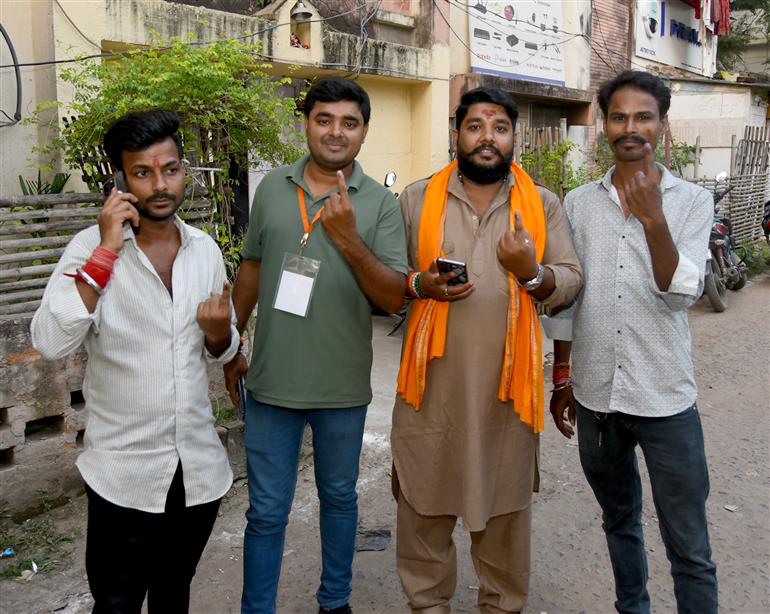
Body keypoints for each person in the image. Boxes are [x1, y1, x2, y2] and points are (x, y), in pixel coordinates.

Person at [31, 109, 238, 613]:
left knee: (174, 596)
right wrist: (105, 251)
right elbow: (50, 341)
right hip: (123, 475)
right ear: (121, 181)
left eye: (170, 169)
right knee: (118, 603)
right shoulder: (88, 249)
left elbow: (224, 347)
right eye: (143, 173)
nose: (160, 185)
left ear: (184, 170)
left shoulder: (204, 250)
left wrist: (218, 337)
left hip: (197, 472)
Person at [391, 87, 583, 613]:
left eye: (499, 128)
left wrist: (532, 273)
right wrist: (418, 283)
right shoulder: (414, 198)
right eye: (475, 126)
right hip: (430, 394)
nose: (487, 138)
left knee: (504, 522)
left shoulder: (542, 204)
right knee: (422, 513)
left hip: (507, 398)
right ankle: (428, 606)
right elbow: (389, 282)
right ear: (456, 134)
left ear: (514, 138)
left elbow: (568, 280)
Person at [224, 76, 407, 614]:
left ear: (364, 132)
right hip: (273, 382)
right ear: (305, 122)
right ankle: (257, 609)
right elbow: (252, 268)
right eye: (324, 119)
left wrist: (349, 239)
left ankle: (335, 601)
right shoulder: (272, 189)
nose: (335, 132)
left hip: (342, 384)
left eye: (349, 123)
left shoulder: (379, 204)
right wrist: (229, 346)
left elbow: (393, 296)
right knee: (265, 512)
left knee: (339, 499)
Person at [549, 70, 718, 614]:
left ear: (662, 125)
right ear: (604, 125)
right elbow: (570, 296)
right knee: (619, 521)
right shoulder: (578, 203)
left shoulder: (691, 202)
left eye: (643, 116)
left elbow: (680, 296)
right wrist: (562, 375)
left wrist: (653, 221)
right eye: (618, 116)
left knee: (688, 543)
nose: (630, 127)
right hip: (598, 399)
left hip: (666, 399)